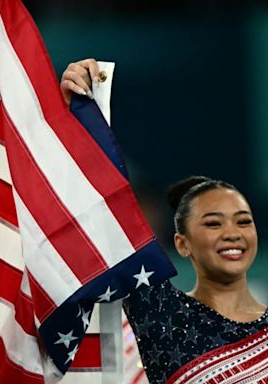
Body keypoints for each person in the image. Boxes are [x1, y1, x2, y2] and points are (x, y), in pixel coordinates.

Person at [61, 59, 268, 383]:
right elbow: (110, 216)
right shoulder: (166, 319)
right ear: (182, 243)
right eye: (213, 223)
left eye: (243, 222)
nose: (232, 234)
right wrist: (81, 115)